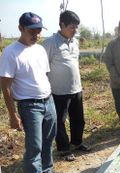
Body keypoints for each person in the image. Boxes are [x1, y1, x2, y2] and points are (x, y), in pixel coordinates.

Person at [0, 12, 66, 173]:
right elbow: (5, 86)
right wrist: (13, 115)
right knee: (34, 147)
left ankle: (47, 170)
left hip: (48, 100)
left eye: (38, 30)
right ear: (20, 28)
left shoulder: (40, 49)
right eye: (32, 31)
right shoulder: (10, 52)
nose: (36, 34)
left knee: (48, 140)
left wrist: (49, 97)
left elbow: (42, 76)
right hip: (29, 106)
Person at [42, 10, 89, 162]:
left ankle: (76, 142)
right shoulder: (50, 43)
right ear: (62, 25)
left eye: (76, 27)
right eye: (72, 27)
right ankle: (63, 149)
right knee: (60, 122)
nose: (75, 30)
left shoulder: (75, 42)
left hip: (76, 88)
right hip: (58, 91)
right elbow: (43, 67)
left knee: (78, 119)